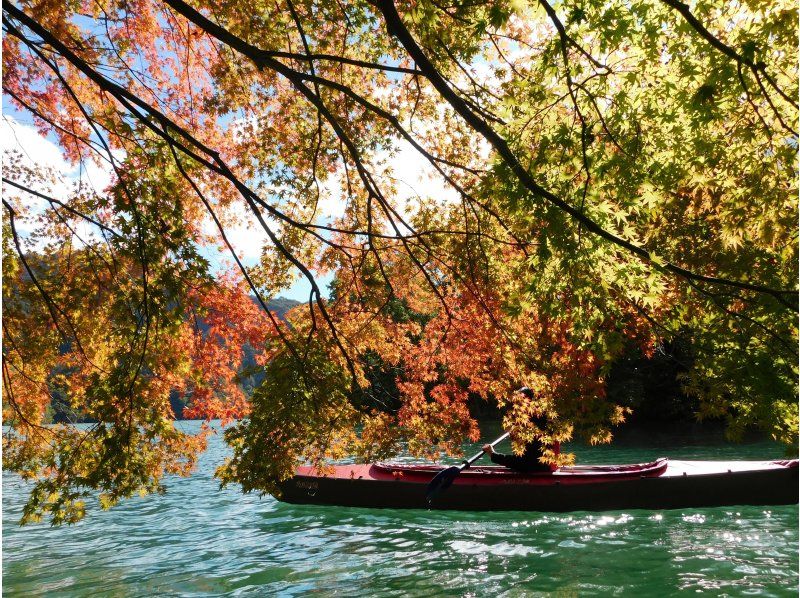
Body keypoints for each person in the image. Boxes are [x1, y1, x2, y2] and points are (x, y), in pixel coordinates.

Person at [482, 387, 560, 473]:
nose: (516, 408)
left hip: (538, 470)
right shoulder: (545, 421)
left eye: (518, 402)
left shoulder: (533, 430)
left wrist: (493, 454)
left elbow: (524, 463)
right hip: (544, 468)